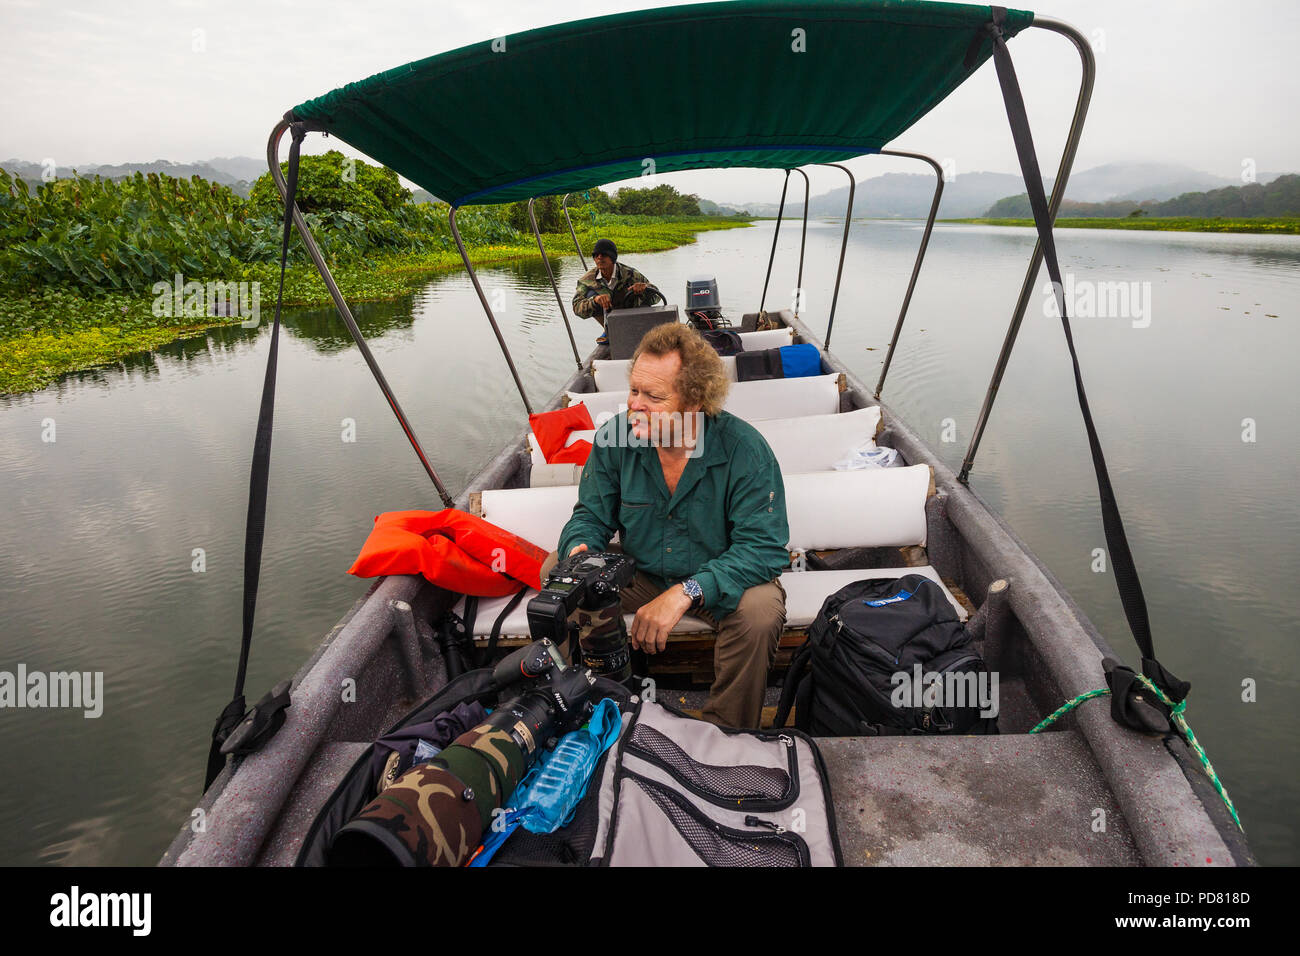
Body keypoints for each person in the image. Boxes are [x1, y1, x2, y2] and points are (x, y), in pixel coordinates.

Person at [552, 322, 789, 728]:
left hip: (717, 579)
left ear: (694, 403)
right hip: (641, 573)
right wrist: (581, 550)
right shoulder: (615, 439)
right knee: (559, 578)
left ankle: (725, 733)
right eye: (634, 390)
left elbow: (763, 549)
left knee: (761, 611)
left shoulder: (745, 450)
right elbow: (590, 516)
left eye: (654, 396)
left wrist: (685, 592)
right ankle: (589, 707)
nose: (635, 406)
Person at [572, 238, 660, 343]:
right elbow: (577, 307)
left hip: (635, 319)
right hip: (610, 321)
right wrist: (595, 300)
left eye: (603, 254)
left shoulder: (631, 275)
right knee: (591, 294)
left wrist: (644, 289)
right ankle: (609, 330)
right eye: (596, 255)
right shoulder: (587, 280)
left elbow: (657, 297)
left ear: (612, 257)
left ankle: (636, 330)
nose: (599, 257)